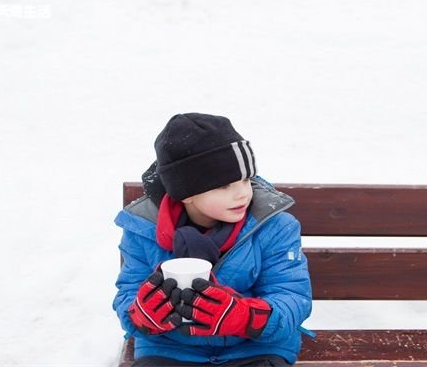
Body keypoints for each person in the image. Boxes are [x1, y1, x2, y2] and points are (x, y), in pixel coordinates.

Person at [113, 113, 312, 366]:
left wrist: (245, 317)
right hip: (169, 349)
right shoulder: (144, 229)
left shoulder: (274, 226)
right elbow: (129, 292)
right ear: (186, 194)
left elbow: (292, 295)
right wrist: (141, 314)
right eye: (224, 185)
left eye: (245, 180)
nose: (242, 193)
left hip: (254, 349)